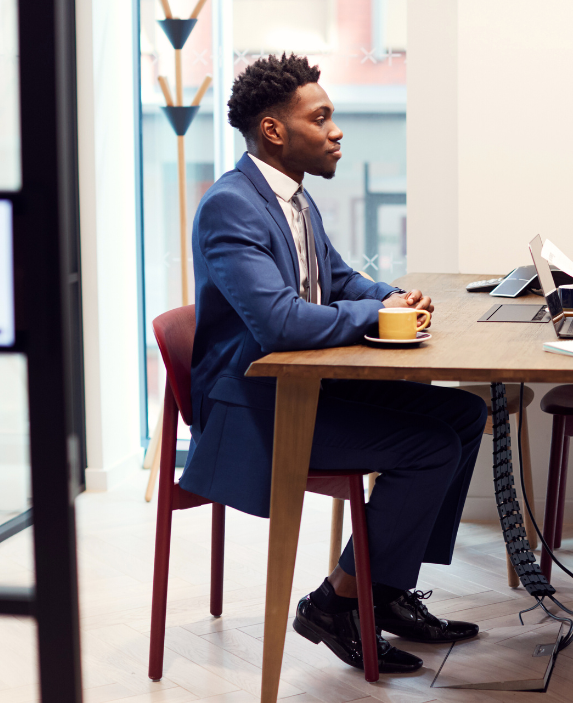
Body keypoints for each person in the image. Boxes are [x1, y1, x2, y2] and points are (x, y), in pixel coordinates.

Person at [182, 53, 488, 675]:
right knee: (428, 447)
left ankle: (385, 591)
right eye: (320, 118)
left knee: (463, 412)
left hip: (305, 391)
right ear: (274, 130)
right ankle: (336, 603)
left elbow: (338, 278)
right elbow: (279, 320)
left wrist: (391, 298)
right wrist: (377, 319)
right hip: (254, 408)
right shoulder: (231, 206)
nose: (336, 130)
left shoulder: (294, 199)